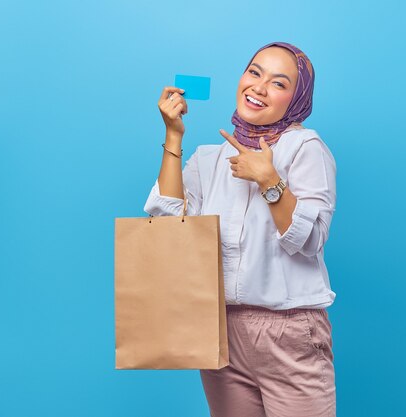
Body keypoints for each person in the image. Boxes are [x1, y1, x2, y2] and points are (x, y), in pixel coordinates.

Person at [144, 41, 337, 417]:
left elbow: (310, 241)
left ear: (296, 99)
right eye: (254, 72)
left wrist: (270, 182)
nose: (259, 88)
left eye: (279, 83)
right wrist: (174, 135)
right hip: (220, 328)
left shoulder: (305, 148)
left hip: (290, 330)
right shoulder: (209, 157)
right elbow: (171, 224)